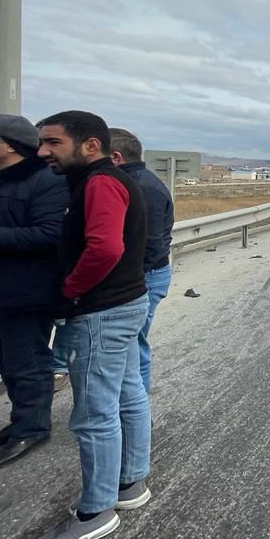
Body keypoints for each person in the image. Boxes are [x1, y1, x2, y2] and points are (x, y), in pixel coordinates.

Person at [22, 111, 150, 539]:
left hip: (101, 312)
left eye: (53, 142)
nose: (43, 151)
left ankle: (95, 511)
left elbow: (106, 247)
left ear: (91, 145)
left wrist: (70, 289)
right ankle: (130, 482)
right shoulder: (108, 179)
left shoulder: (99, 183)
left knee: (95, 414)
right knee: (128, 393)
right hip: (124, 304)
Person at [0, 115, 68, 473]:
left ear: (9, 144)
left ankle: (32, 429)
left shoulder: (45, 181)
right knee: (2, 360)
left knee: (26, 364)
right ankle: (20, 421)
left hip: (25, 292)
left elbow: (50, 235)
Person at [52, 128, 173, 395]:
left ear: (115, 156)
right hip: (142, 276)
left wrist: (123, 281)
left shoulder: (132, 186)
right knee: (129, 349)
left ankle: (132, 406)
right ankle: (131, 406)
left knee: (133, 348)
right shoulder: (135, 182)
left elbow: (149, 244)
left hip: (143, 277)